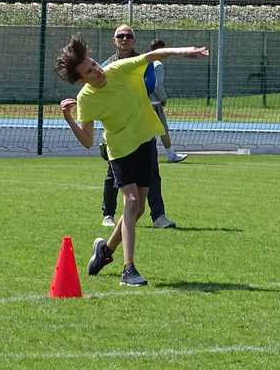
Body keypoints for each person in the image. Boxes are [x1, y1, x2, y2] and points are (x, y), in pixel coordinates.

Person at [55, 34, 207, 286]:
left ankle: (105, 252)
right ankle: (129, 270)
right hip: (121, 150)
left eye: (94, 64)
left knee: (138, 211)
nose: (97, 70)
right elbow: (86, 140)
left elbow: (151, 56)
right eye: (89, 72)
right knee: (132, 201)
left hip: (146, 140)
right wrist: (69, 118)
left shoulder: (118, 68)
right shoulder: (86, 99)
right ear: (82, 80)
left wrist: (185, 51)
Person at [99, 25, 176, 230]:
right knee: (113, 173)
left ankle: (158, 216)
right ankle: (108, 214)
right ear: (114, 40)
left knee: (152, 171)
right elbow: (102, 91)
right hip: (118, 127)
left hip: (142, 124)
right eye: (120, 36)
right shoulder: (106, 66)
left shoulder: (144, 63)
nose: (125, 39)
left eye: (128, 36)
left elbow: (149, 86)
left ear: (134, 40)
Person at [149, 39, 188, 163]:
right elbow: (157, 85)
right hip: (154, 103)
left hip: (142, 102)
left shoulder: (144, 62)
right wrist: (163, 99)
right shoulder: (158, 64)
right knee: (163, 129)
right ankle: (171, 154)